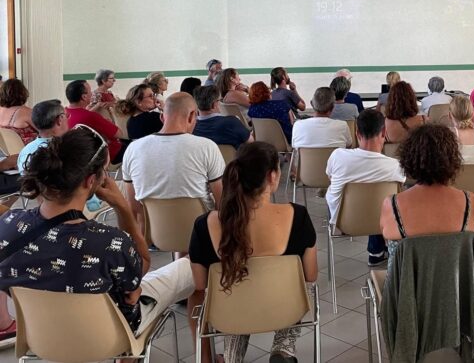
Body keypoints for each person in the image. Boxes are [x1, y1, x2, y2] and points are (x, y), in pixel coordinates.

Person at [0, 126, 194, 342]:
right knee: (191, 265)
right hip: (107, 338)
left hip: (42, 336)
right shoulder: (109, 242)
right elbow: (139, 271)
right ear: (90, 181)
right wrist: (122, 207)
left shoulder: (7, 225)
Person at [188, 142, 317, 363]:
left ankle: (232, 356)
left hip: (232, 314)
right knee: (305, 287)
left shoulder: (204, 225)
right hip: (285, 309)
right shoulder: (298, 216)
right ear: (272, 176)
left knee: (231, 287)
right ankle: (284, 348)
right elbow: (311, 275)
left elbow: (200, 283)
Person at [122, 92, 225, 232]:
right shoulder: (207, 147)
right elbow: (221, 200)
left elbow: (134, 208)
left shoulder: (133, 149)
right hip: (202, 233)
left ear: (162, 117)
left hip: (155, 234)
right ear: (192, 115)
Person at [380, 124, 474, 262]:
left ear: (409, 158)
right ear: (452, 159)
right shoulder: (468, 201)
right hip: (452, 276)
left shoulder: (392, 204)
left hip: (406, 276)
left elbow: (386, 240)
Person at [326, 109, 405, 266]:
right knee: (382, 201)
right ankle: (377, 251)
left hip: (342, 223)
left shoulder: (338, 156)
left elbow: (330, 177)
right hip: (380, 223)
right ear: (383, 133)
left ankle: (376, 251)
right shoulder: (395, 167)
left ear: (357, 133)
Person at [65, 79, 123, 163]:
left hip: (75, 159)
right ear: (84, 97)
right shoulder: (90, 116)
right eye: (90, 91)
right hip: (100, 157)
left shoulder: (62, 114)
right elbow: (119, 134)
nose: (92, 94)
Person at [17, 99, 68, 172]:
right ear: (60, 119)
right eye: (66, 115)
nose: (68, 119)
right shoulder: (67, 150)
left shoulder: (25, 151)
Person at [0, 78, 37, 145]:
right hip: (27, 150)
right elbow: (45, 130)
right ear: (22, 93)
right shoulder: (26, 112)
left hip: (7, 150)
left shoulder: (1, 110)